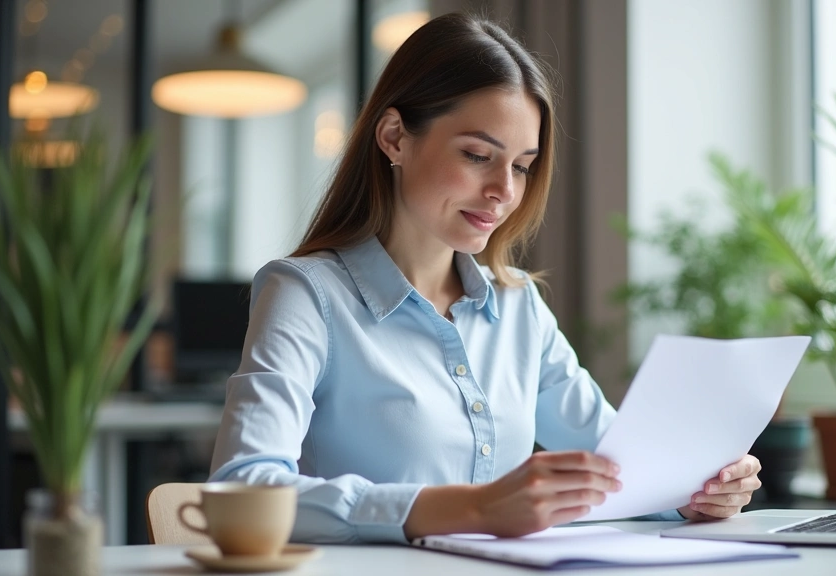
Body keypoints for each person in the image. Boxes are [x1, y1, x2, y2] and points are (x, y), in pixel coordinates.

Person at [208, 12, 761, 545]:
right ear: (395, 137)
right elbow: (243, 487)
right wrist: (472, 508)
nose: (505, 190)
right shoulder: (306, 295)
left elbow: (621, 465)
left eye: (521, 166)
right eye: (477, 155)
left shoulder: (518, 305)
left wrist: (697, 489)